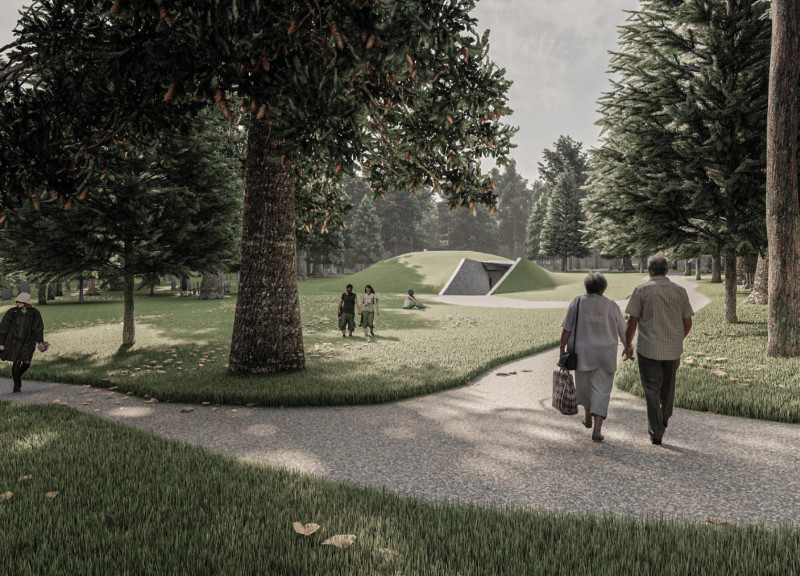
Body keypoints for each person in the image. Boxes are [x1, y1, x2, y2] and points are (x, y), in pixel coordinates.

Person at [624, 254, 694, 445]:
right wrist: (677, 339)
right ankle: (663, 419)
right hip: (673, 350)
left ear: (649, 271)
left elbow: (632, 321)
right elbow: (688, 322)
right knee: (668, 388)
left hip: (648, 349)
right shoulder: (680, 291)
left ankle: (656, 430)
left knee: (651, 389)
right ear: (667, 270)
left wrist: (627, 344)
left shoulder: (641, 290)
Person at [559, 272, 628, 442]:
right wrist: (627, 347)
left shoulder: (578, 302)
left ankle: (588, 417)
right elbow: (622, 330)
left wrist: (562, 348)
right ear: (604, 288)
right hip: (606, 354)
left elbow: (567, 328)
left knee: (585, 388)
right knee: (601, 391)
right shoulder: (612, 305)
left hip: (582, 353)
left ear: (586, 286)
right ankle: (597, 428)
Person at [0, 292, 46, 393]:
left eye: (21, 301)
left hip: (28, 342)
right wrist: (1, 343)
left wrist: (40, 342)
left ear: (26, 302)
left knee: (26, 362)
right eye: (17, 301)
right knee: (16, 362)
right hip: (14, 341)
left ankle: (17, 377)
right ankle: (17, 386)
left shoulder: (34, 313)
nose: (18, 303)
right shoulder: (12, 312)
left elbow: (38, 328)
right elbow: (3, 327)